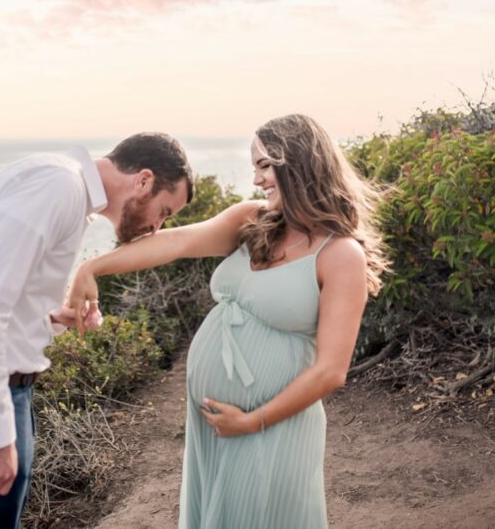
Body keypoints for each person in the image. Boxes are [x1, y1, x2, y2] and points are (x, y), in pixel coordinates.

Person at [69, 114, 392, 528]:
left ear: (298, 163)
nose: (257, 179)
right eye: (254, 167)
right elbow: (177, 241)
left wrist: (252, 421)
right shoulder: (251, 220)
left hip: (271, 426)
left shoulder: (340, 255)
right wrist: (92, 268)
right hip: (215, 426)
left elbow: (331, 371)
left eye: (264, 165)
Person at [0, 134, 194, 528]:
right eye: (164, 212)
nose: (156, 227)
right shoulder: (56, 186)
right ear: (144, 181)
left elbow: (0, 300)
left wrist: (54, 317)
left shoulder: (66, 190)